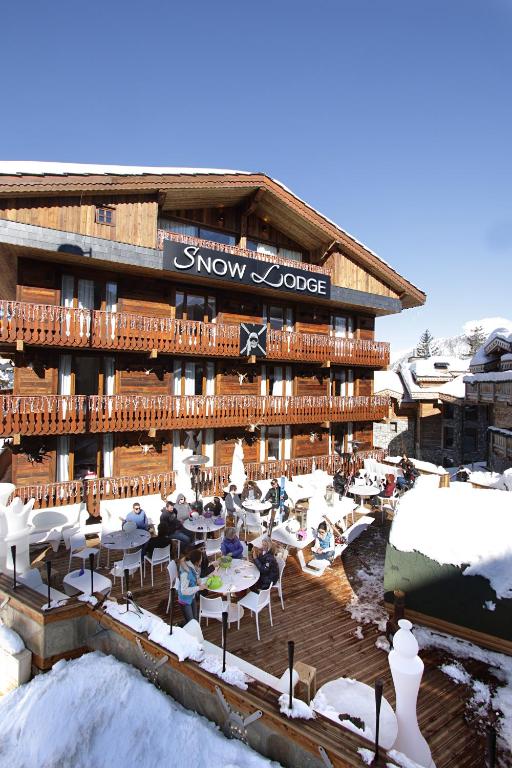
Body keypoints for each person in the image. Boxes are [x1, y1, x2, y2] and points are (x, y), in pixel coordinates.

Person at [177, 549, 205, 622]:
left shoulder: (192, 567)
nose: (201, 560)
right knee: (191, 622)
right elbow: (184, 591)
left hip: (192, 597)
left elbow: (193, 578)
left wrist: (198, 580)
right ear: (196, 561)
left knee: (195, 619)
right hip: (185, 600)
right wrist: (199, 588)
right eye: (201, 559)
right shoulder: (185, 573)